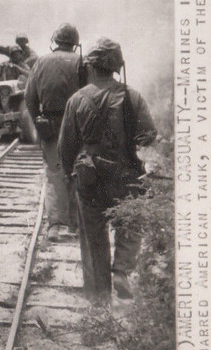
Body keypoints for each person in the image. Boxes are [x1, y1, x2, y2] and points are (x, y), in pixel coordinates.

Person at [58, 38, 157, 302]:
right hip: (124, 175)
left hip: (89, 177)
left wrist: (71, 174)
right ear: (116, 66)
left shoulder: (77, 100)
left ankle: (99, 300)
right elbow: (148, 134)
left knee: (94, 238)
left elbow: (65, 146)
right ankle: (122, 270)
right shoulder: (132, 96)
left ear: (90, 67)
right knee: (132, 218)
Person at [24, 23, 86, 241]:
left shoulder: (41, 62)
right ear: (74, 43)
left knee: (54, 174)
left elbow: (30, 97)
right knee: (79, 172)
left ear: (56, 41)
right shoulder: (82, 62)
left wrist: (38, 121)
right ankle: (77, 224)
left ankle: (55, 227)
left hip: (50, 124)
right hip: (78, 125)